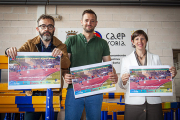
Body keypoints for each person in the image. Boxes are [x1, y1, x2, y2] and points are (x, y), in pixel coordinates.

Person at [5, 14, 71, 120]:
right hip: (33, 93)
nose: (46, 29)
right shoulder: (30, 44)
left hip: (53, 93)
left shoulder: (61, 46)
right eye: (43, 26)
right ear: (37, 28)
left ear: (54, 29)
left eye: (50, 26)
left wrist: (61, 55)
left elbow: (67, 64)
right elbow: (17, 55)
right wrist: (8, 50)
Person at [63, 9, 118, 120]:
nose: (89, 23)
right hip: (74, 89)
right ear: (81, 22)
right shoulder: (71, 41)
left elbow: (109, 65)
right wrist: (65, 74)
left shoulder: (102, 43)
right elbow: (65, 65)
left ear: (96, 23)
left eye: (92, 21)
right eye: (86, 20)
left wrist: (114, 74)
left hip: (95, 90)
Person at [119, 30, 177, 120]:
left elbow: (161, 79)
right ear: (132, 42)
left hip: (153, 102)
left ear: (146, 41)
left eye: (142, 38)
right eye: (137, 39)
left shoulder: (156, 58)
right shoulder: (126, 60)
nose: (140, 41)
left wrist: (171, 76)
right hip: (133, 103)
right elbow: (122, 85)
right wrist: (123, 80)